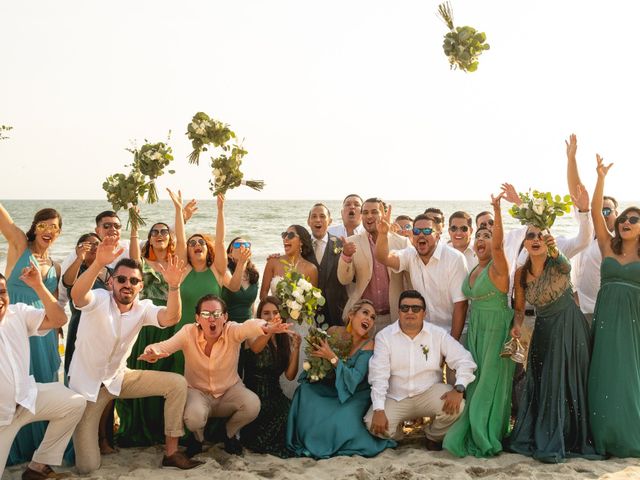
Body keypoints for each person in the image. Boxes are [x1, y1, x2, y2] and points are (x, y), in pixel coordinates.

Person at [69, 237, 201, 472]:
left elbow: (171, 317)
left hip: (119, 379)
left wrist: (174, 286)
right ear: (111, 283)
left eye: (133, 281)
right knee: (87, 466)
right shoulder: (99, 299)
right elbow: (78, 296)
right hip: (88, 389)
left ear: (141, 286)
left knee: (177, 384)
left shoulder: (142, 308)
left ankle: (171, 452)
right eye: (121, 279)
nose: (126, 284)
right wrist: (99, 262)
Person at [139, 295, 290, 457]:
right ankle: (198, 438)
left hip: (229, 393)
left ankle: (228, 434)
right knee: (193, 418)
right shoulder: (188, 332)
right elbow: (163, 347)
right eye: (205, 314)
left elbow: (249, 326)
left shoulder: (232, 330)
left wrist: (267, 326)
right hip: (198, 393)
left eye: (217, 314)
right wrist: (152, 351)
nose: (212, 319)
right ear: (197, 318)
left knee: (253, 404)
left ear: (225, 317)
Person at [506, 225, 600, 463]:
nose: (535, 239)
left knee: (568, 380)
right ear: (524, 243)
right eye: (530, 236)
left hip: (570, 326)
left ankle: (570, 435)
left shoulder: (558, 263)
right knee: (545, 382)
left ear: (548, 240)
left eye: (541, 235)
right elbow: (519, 311)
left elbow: (567, 266)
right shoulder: (520, 274)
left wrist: (555, 249)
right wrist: (516, 326)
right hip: (544, 330)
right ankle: (546, 431)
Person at [443, 193, 515, 457]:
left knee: (490, 382)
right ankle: (475, 427)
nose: (482, 241)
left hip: (496, 327)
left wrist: (497, 211)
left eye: (487, 236)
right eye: (479, 237)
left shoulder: (498, 267)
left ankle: (486, 434)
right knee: (475, 380)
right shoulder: (473, 268)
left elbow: (498, 246)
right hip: (477, 328)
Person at [0, 268, 86, 479]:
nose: (0, 298)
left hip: (27, 401)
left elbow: (58, 320)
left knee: (74, 403)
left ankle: (38, 466)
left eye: (2, 292)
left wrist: (38, 286)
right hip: (1, 421)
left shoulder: (17, 313)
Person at [116, 189, 186, 447]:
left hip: (168, 324)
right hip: (145, 325)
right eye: (154, 232)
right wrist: (134, 219)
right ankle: (136, 428)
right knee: (141, 373)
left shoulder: (176, 264)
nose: (159, 235)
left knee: (167, 375)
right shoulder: (141, 264)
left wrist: (178, 211)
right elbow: (132, 251)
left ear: (169, 238)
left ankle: (162, 429)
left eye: (163, 231)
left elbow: (182, 236)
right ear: (149, 238)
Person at [365, 290, 477, 450]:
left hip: (429, 392)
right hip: (397, 396)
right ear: (399, 312)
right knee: (372, 424)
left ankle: (432, 435)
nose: (410, 312)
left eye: (416, 308)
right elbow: (378, 375)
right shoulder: (384, 336)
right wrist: (378, 408)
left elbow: (465, 360)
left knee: (458, 408)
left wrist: (459, 388)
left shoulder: (437, 334)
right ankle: (398, 435)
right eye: (405, 308)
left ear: (424, 313)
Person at [287, 299, 396, 458]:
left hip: (355, 392)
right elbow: (318, 359)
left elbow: (355, 377)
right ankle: (306, 438)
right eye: (365, 313)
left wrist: (332, 357)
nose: (369, 319)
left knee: (341, 419)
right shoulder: (333, 332)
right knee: (305, 391)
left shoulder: (369, 345)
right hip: (332, 386)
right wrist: (317, 365)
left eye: (373, 317)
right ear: (351, 314)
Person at [0, 205, 63, 465]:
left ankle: (39, 451)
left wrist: (57, 332)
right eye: (43, 225)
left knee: (43, 386)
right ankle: (12, 448)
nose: (48, 231)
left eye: (54, 227)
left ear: (59, 233)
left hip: (44, 332)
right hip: (16, 328)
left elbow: (55, 304)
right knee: (15, 386)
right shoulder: (19, 247)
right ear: (34, 227)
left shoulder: (56, 267)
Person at [588, 156, 640, 457]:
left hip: (634, 319)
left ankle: (630, 433)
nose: (626, 223)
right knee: (604, 372)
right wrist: (600, 178)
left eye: (634, 220)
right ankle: (603, 435)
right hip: (606, 317)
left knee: (630, 374)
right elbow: (596, 211)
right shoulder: (608, 246)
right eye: (623, 219)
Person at [374, 209, 468, 344]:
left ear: (437, 235)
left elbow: (461, 305)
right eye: (417, 231)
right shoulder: (410, 254)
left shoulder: (454, 258)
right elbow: (383, 257)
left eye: (427, 231)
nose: (421, 235)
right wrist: (383, 234)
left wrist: (451, 345)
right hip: (425, 334)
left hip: (455, 333)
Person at [174, 193, 241, 375]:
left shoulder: (216, 271)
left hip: (211, 334)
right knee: (182, 382)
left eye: (201, 242)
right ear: (188, 251)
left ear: (206, 248)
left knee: (210, 379)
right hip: (183, 335)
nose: (197, 244)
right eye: (192, 243)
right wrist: (179, 210)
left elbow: (219, 241)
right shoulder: (183, 271)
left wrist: (220, 210)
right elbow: (179, 240)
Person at [61, 233, 114, 455]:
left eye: (96, 244)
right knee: (78, 384)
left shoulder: (108, 272)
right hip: (80, 329)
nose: (93, 247)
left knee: (106, 386)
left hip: (104, 333)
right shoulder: (77, 269)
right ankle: (75, 440)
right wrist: (78, 257)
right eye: (87, 244)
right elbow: (67, 282)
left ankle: (103, 438)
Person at [260, 224, 318, 398]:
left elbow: (313, 305)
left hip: (301, 326)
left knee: (300, 370)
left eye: (290, 235)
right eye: (284, 234)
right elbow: (263, 296)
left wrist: (297, 306)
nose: (285, 238)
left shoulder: (311, 269)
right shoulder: (273, 262)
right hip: (277, 325)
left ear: (301, 241)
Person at [337, 198, 411, 331]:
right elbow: (344, 280)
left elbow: (410, 284)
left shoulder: (402, 243)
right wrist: (346, 256)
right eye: (365, 212)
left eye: (374, 212)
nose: (369, 216)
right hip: (362, 319)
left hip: (394, 318)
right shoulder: (351, 242)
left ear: (385, 214)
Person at [240, 296, 300, 457]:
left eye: (275, 312)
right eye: (266, 313)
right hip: (254, 395)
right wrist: (270, 330)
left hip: (275, 394)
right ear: (259, 315)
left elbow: (289, 375)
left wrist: (296, 349)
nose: (271, 316)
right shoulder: (252, 333)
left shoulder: (283, 340)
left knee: (291, 410)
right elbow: (256, 349)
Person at [307, 203, 348, 327]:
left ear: (329, 221)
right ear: (308, 221)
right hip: (308, 312)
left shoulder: (342, 245)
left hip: (336, 312)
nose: (318, 219)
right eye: (314, 216)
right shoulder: (301, 246)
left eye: (322, 216)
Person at [222, 237, 258, 323]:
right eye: (237, 245)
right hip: (228, 325)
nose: (242, 247)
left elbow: (252, 306)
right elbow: (233, 286)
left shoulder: (254, 273)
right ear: (230, 254)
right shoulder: (225, 270)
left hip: (248, 324)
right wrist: (241, 263)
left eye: (246, 245)